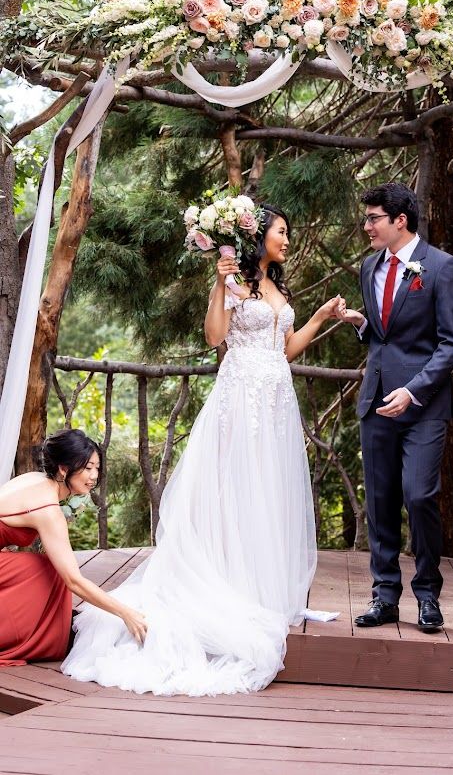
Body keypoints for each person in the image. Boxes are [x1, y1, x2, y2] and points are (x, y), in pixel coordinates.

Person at [62, 206, 342, 696]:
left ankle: (261, 587)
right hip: (239, 400)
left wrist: (319, 315)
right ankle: (226, 584)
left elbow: (286, 348)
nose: (288, 240)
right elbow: (216, 337)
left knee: (268, 492)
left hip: (275, 400)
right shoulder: (234, 284)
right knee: (234, 489)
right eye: (282, 231)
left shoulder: (279, 288)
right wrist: (218, 281)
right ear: (258, 239)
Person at [338, 183, 453, 631]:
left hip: (423, 406)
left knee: (419, 495)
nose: (366, 226)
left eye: (373, 218)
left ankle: (428, 594)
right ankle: (384, 594)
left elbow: (450, 346)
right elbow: (383, 334)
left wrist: (413, 391)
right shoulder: (369, 266)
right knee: (380, 501)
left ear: (400, 221)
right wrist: (361, 324)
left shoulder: (443, 268)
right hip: (376, 402)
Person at [0, 429, 147, 666]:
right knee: (47, 570)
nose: (94, 476)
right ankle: (28, 636)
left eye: (97, 468)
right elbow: (74, 581)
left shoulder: (35, 479)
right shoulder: (48, 511)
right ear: (63, 468)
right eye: (87, 468)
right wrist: (126, 613)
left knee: (43, 566)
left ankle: (46, 628)